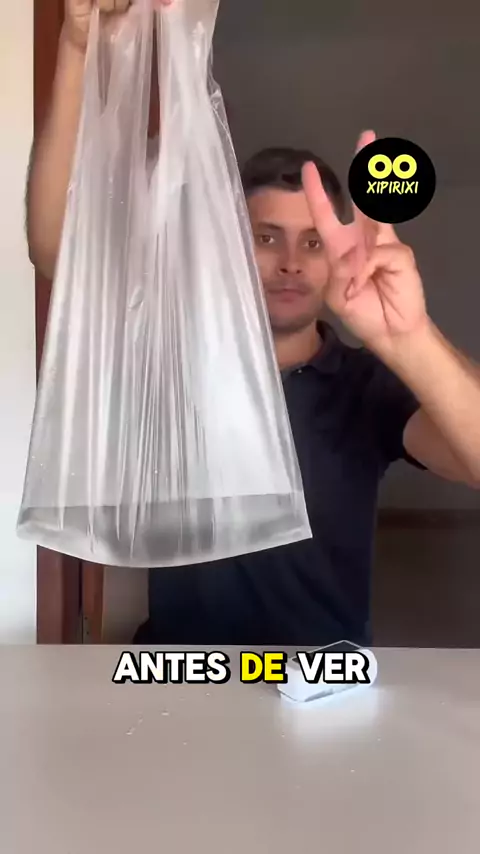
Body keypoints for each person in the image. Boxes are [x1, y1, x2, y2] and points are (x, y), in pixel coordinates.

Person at [27, 0, 480, 647]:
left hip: (319, 680)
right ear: (230, 246)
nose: (291, 262)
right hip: (180, 673)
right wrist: (77, 51)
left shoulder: (362, 385)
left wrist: (410, 338)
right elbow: (58, 250)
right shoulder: (174, 353)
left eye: (313, 243)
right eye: (267, 237)